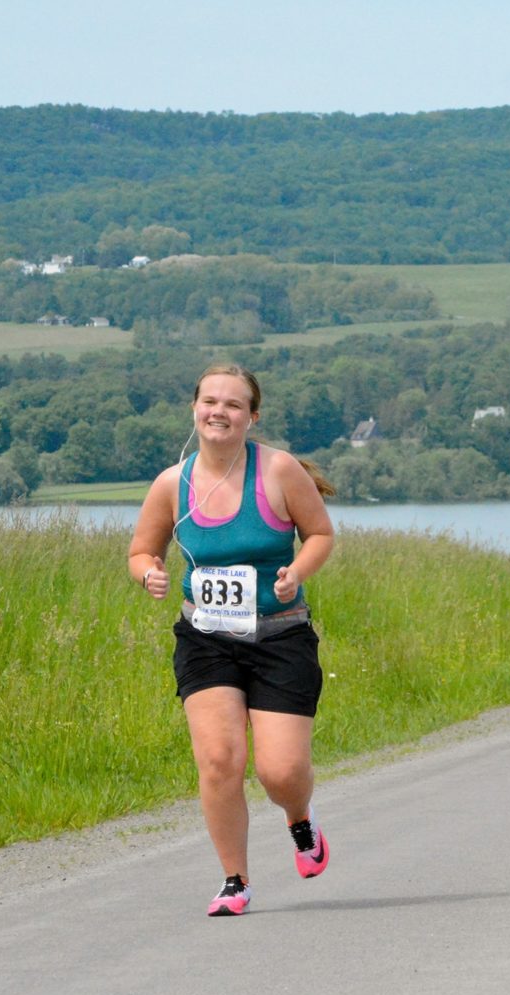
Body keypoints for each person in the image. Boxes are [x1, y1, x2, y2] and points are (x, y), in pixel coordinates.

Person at [127, 363, 336, 918]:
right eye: (210, 402)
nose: (219, 412)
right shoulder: (173, 484)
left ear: (252, 416)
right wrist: (148, 572)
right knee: (220, 761)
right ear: (195, 410)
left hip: (280, 636)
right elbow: (141, 550)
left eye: (233, 405)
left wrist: (298, 571)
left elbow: (320, 533)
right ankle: (234, 880)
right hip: (206, 639)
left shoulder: (279, 471)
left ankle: (300, 820)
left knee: (280, 771)